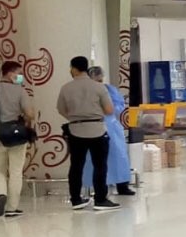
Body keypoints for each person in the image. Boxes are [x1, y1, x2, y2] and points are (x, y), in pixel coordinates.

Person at [57, 55, 118, 211]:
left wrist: (75, 117)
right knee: (100, 165)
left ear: (74, 69)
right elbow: (110, 109)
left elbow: (61, 109)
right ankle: (100, 199)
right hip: (97, 129)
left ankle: (76, 200)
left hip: (75, 130)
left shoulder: (66, 88)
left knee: (76, 166)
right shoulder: (99, 87)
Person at [0, 60, 34, 218]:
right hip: (17, 138)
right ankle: (11, 208)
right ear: (10, 73)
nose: (21, 77)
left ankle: (0, 195)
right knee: (16, 172)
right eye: (19, 73)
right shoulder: (20, 91)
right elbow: (30, 114)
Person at [83, 67, 134, 196]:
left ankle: (122, 185)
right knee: (98, 160)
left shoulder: (109, 90)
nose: (99, 83)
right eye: (96, 81)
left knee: (119, 155)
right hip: (94, 126)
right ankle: (100, 188)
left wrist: (109, 108)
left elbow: (119, 106)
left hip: (112, 126)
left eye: (101, 80)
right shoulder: (85, 92)